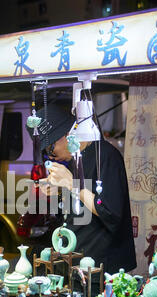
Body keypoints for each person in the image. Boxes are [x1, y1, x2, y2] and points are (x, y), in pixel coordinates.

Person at [27, 103, 137, 275]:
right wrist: (58, 191)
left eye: (50, 148)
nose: (49, 156)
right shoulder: (74, 160)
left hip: (102, 265)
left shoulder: (106, 156)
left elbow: (109, 211)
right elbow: (78, 206)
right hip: (77, 261)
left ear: (67, 135)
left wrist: (72, 184)